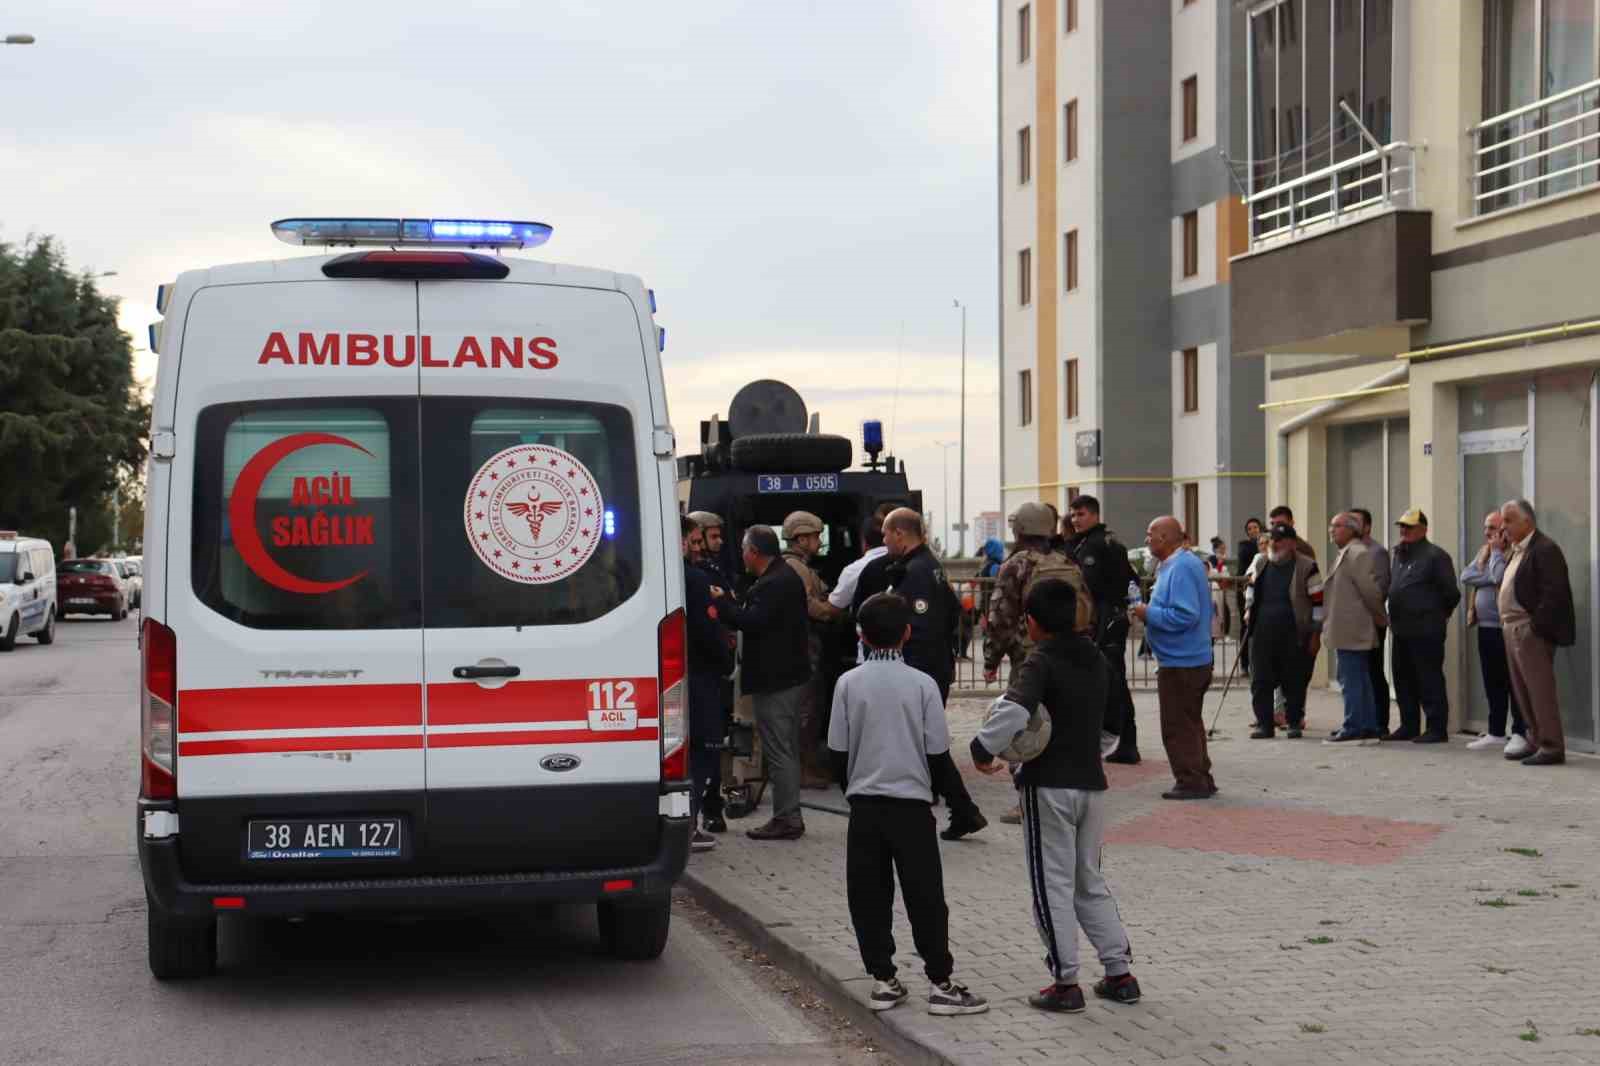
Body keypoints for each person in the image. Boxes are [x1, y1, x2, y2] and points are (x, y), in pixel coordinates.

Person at [969, 579, 1140, 1014]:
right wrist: (1088, 752)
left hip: (1047, 787)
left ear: (1032, 621)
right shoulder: (1097, 657)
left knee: (1051, 884)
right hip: (1092, 786)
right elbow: (1115, 723)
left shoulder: (1039, 659)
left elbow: (1013, 709)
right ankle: (1119, 974)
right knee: (1089, 879)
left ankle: (1065, 983)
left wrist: (981, 746)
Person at [827, 592, 990, 1017]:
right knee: (925, 896)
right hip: (912, 807)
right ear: (907, 634)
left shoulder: (847, 683)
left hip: (864, 806)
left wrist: (852, 788)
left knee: (867, 895)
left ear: (860, 633)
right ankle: (941, 983)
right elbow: (937, 752)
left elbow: (838, 752)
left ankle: (883, 979)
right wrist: (951, 801)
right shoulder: (923, 684)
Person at [875, 508, 988, 841]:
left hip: (922, 667)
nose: (883, 541)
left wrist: (906, 665)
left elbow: (919, 626)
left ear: (899, 533)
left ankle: (962, 808)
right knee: (924, 740)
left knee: (926, 741)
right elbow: (952, 611)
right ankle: (953, 806)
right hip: (932, 665)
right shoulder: (929, 565)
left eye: (885, 534)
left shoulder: (918, 571)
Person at [709, 525, 811, 840]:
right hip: (788, 678)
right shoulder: (781, 577)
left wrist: (724, 603)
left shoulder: (773, 584)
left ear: (754, 552)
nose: (741, 555)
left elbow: (752, 622)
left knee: (779, 750)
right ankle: (789, 814)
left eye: (743, 549)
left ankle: (787, 819)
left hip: (777, 681)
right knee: (786, 748)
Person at [1133, 516, 1216, 800]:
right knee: (1189, 721)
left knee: (1177, 725)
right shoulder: (1178, 565)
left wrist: (1147, 614)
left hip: (1184, 662)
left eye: (1150, 534)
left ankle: (1191, 781)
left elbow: (1185, 614)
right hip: (1186, 659)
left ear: (1166, 538)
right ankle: (1201, 776)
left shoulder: (1181, 567)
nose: (1147, 540)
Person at [1498, 499, 1576, 766]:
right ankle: (1536, 739)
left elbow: (1554, 592)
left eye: (1508, 521)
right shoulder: (1516, 550)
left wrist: (1535, 627)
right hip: (1511, 628)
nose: (1503, 527)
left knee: (1539, 690)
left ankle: (1552, 746)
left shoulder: (1544, 549)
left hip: (1529, 629)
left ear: (1527, 522)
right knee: (1523, 691)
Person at [1064, 494, 1139, 764]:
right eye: (1073, 515)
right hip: (1091, 624)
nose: (1076, 520)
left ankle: (1126, 744)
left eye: (1081, 514)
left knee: (1114, 683)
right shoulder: (1080, 544)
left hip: (1106, 623)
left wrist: (1112, 616)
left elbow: (1120, 583)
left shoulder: (1104, 545)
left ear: (1094, 515)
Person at [681, 516, 734, 847]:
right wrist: (727, 663)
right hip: (702, 676)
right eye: (695, 541)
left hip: (677, 675)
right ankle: (690, 822)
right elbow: (709, 632)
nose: (698, 548)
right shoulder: (695, 579)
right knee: (704, 749)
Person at [1387, 509, 1460, 743]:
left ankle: (1437, 728)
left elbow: (1451, 593)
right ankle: (1409, 725)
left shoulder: (1435, 556)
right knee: (1403, 679)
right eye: (1402, 527)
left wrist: (1437, 614)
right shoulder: (1399, 555)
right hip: (1401, 628)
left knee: (1429, 679)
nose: (1403, 531)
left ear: (1423, 529)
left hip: (1426, 629)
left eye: (1409, 527)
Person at [1460, 510, 1528, 756]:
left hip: (1508, 628)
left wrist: (1496, 557)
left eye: (1491, 528)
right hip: (1486, 627)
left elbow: (1500, 576)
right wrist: (1490, 573)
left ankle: (1520, 732)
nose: (1486, 533)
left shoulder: (1514, 552)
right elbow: (1466, 575)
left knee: (1514, 683)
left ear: (1504, 529)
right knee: (1493, 682)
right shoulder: (1485, 551)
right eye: (1486, 527)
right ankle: (1496, 732)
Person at [1245, 524, 1322, 740]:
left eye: (1280, 540)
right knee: (1260, 680)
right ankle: (1264, 724)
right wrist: (1248, 609)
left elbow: (1319, 603)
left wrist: (1315, 634)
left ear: (1292, 543)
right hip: (1262, 632)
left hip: (1294, 633)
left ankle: (1294, 722)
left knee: (1294, 680)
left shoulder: (1307, 566)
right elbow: (1249, 587)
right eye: (1272, 540)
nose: (1275, 544)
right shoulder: (1261, 562)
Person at [781, 510, 840, 788]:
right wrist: (832, 609)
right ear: (801, 538)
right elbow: (810, 605)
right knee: (805, 709)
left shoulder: (801, 566)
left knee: (812, 705)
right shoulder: (795, 567)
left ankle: (806, 764)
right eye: (815, 536)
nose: (819, 541)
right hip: (804, 645)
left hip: (808, 645)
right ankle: (801, 769)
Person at [1321, 512, 1388, 744]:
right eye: (1332, 525)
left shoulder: (1357, 553)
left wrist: (1380, 617)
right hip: (1347, 627)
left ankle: (1354, 725)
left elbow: (1370, 591)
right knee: (1358, 677)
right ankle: (1366, 724)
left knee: (1351, 678)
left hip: (1353, 628)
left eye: (1337, 526)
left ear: (1351, 529)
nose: (1332, 530)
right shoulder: (1348, 552)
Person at [1350, 508, 1393, 736]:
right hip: (1351, 624)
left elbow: (1380, 589)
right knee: (1355, 674)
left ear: (1367, 527)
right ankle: (1360, 720)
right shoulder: (1348, 551)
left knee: (1373, 671)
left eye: (1355, 522)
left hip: (1371, 622)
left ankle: (1380, 723)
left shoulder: (1377, 552)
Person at [689, 510, 735, 588]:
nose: (720, 541)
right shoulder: (698, 574)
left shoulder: (712, 566)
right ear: (699, 537)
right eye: (714, 537)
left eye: (719, 536)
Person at [1209, 537, 1232, 641]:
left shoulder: (1224, 559)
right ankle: (1215, 633)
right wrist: (1219, 564)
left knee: (1225, 610)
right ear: (1215, 550)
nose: (1223, 550)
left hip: (1222, 589)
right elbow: (1213, 573)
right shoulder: (1211, 559)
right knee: (1216, 611)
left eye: (1224, 548)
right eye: (1221, 548)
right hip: (1213, 590)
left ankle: (1224, 633)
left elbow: (1226, 574)